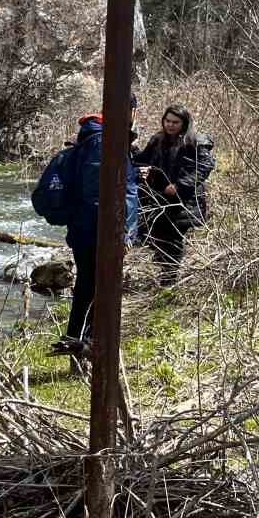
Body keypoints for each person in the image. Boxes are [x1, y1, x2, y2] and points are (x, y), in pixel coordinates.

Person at [51, 109, 140, 357]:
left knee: (86, 285)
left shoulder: (86, 143)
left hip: (82, 231)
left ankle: (75, 341)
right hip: (99, 234)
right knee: (99, 289)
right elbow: (113, 194)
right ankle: (88, 346)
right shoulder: (104, 143)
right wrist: (123, 233)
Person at [133, 104, 215, 286]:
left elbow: (203, 168)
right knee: (156, 235)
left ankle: (169, 279)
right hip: (159, 197)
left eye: (175, 122)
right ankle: (165, 272)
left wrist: (180, 186)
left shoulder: (195, 142)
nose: (170, 125)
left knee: (174, 239)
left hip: (184, 201)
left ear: (184, 123)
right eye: (167, 121)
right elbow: (144, 159)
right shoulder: (158, 140)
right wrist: (132, 152)